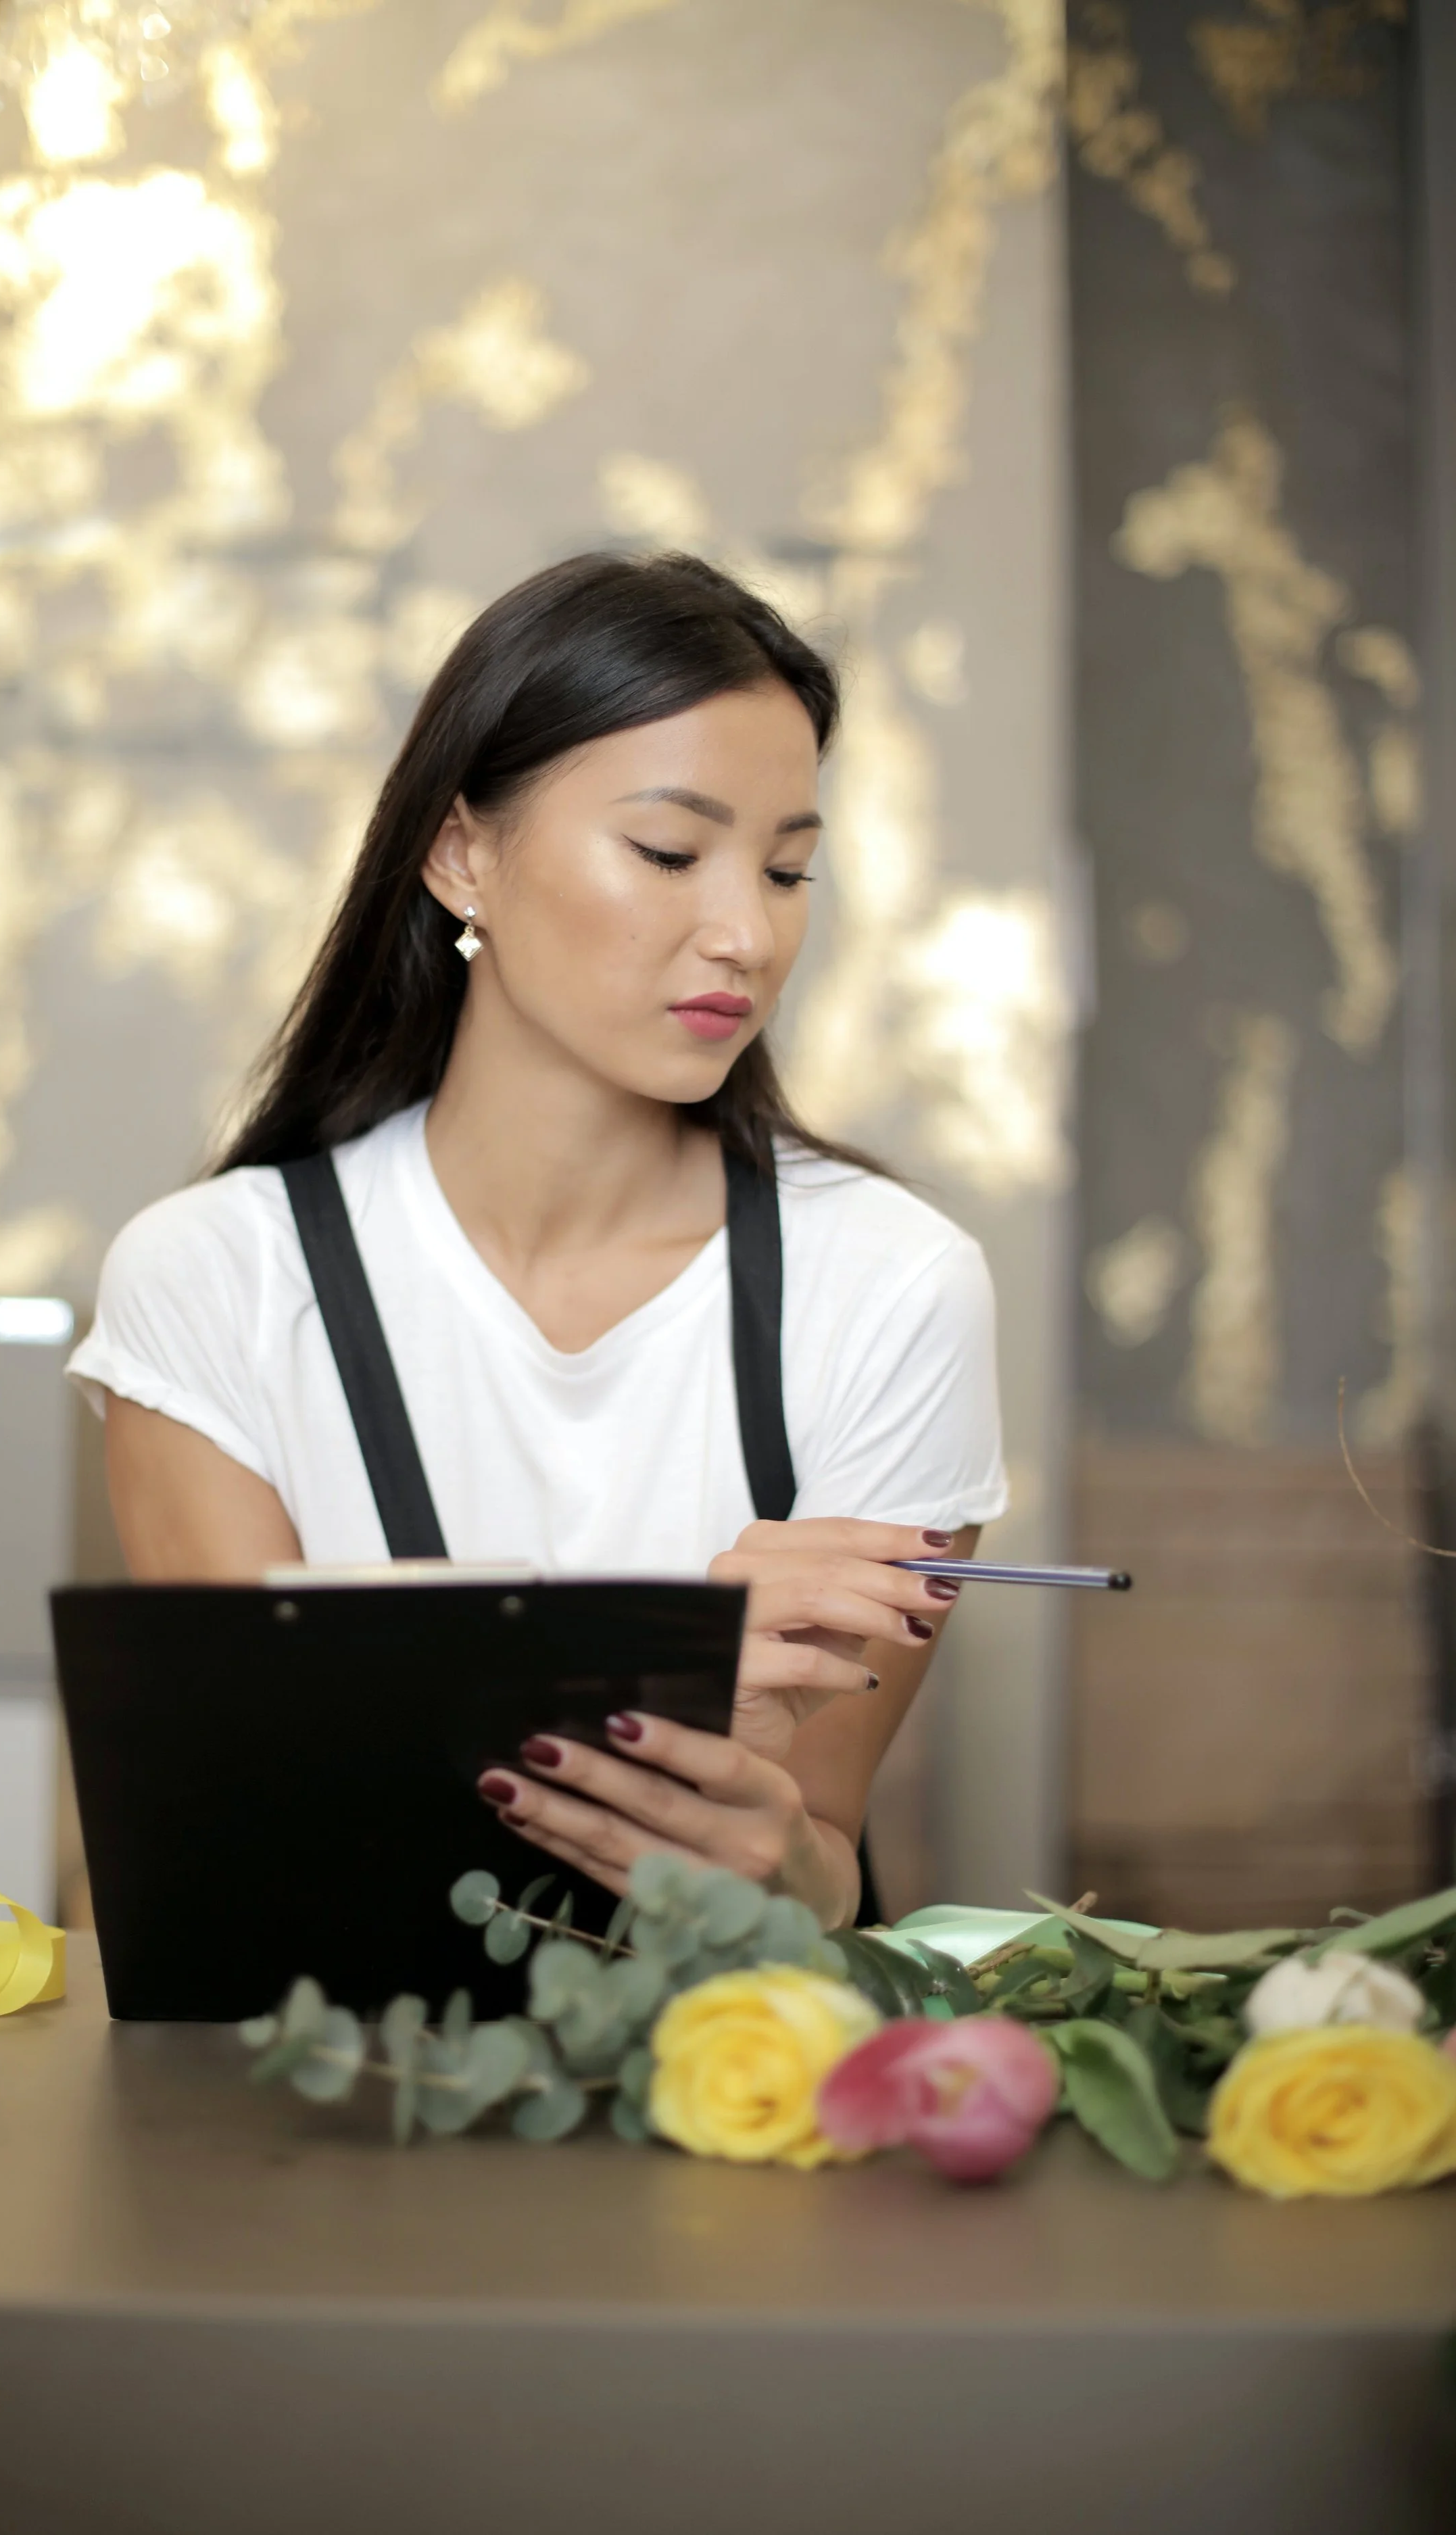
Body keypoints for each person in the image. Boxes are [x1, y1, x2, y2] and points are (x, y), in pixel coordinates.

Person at [67, 552, 1006, 1931]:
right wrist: (666, 1679)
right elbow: (250, 1852)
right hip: (303, 2114)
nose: (745, 931)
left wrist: (779, 1858)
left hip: (714, 2102)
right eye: (669, 853)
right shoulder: (217, 1281)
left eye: (788, 868)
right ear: (462, 855)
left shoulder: (892, 1289)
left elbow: (811, 1869)